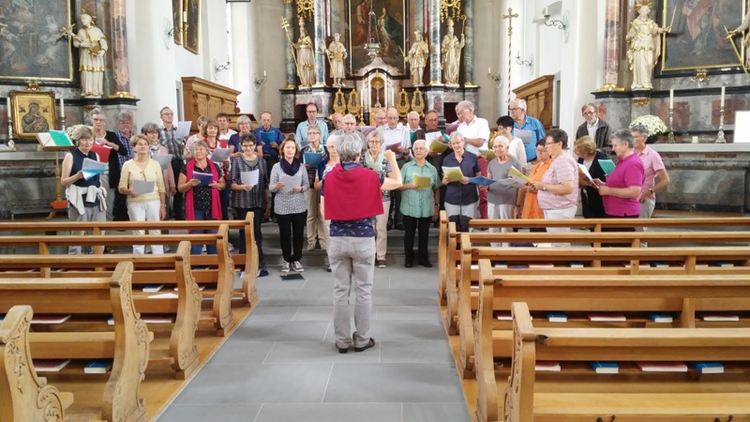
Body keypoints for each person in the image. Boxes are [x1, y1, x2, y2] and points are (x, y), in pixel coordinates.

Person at [325, 132, 402, 354]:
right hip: (362, 238)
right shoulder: (370, 176)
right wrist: (393, 160)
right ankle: (361, 339)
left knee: (340, 291)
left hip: (338, 238)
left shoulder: (329, 176)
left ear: (339, 152)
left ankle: (341, 341)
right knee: (363, 291)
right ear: (360, 153)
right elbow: (397, 182)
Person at [60, 125, 107, 254]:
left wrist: (99, 182)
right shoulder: (71, 156)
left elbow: (98, 178)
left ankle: (98, 261)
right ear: (78, 140)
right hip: (79, 198)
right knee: (78, 235)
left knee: (99, 233)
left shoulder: (95, 155)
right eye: (84, 139)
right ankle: (75, 262)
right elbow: (64, 181)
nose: (88, 142)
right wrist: (77, 176)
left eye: (90, 139)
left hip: (95, 197)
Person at [118, 134, 167, 254]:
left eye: (145, 144)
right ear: (134, 148)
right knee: (138, 232)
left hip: (153, 201)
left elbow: (161, 187)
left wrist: (162, 205)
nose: (143, 147)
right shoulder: (128, 164)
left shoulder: (155, 164)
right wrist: (129, 191)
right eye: (140, 144)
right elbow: (121, 187)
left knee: (155, 231)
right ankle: (138, 261)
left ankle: (159, 260)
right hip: (135, 202)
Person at [230, 133, 270, 276]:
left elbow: (265, 183)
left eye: (250, 145)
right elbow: (232, 183)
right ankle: (243, 262)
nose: (248, 148)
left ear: (255, 145)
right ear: (241, 146)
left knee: (257, 232)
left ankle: (259, 261)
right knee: (244, 232)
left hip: (257, 200)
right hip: (242, 201)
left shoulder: (261, 161)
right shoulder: (237, 161)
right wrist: (243, 187)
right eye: (245, 146)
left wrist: (267, 203)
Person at [531, 129, 579, 246]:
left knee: (559, 246)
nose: (546, 147)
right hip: (554, 209)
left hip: (560, 209)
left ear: (559, 144)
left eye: (548, 143)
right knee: (555, 244)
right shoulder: (557, 160)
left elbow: (567, 188)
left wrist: (544, 187)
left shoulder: (563, 161)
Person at [178, 140, 225, 255]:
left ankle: (213, 264)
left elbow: (222, 184)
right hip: (195, 207)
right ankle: (196, 266)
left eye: (201, 149)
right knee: (196, 237)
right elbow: (180, 188)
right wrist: (190, 184)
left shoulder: (214, 166)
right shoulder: (186, 167)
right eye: (196, 150)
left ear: (207, 151)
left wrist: (216, 185)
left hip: (212, 206)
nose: (198, 152)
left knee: (214, 237)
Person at [270, 138, 309, 275]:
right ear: (283, 150)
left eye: (292, 148)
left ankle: (297, 259)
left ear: (296, 150)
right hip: (282, 205)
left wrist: (301, 188)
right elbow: (271, 187)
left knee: (298, 234)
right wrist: (277, 186)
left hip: (298, 204)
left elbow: (307, 184)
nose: (290, 150)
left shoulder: (301, 166)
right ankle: (286, 260)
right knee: (285, 235)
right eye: (288, 147)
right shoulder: (276, 167)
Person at [399, 139, 440, 267]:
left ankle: (423, 258)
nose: (418, 151)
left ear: (426, 152)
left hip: (426, 205)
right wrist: (409, 185)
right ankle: (409, 258)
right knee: (409, 234)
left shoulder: (432, 169)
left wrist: (436, 206)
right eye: (416, 148)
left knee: (424, 234)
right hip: (410, 205)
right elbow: (398, 185)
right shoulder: (406, 167)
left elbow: (436, 188)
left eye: (421, 148)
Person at [593, 130, 645, 223]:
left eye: (615, 146)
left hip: (624, 213)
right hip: (614, 211)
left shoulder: (633, 163)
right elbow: (621, 184)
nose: (613, 149)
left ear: (625, 144)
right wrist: (603, 184)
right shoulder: (622, 160)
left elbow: (634, 191)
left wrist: (608, 190)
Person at [632, 121, 670, 246]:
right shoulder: (629, 153)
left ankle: (641, 261)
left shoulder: (653, 155)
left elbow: (665, 180)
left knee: (639, 233)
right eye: (630, 136)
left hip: (643, 198)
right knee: (628, 233)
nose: (632, 139)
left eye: (635, 137)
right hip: (629, 197)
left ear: (644, 137)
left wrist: (650, 191)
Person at [90, 108, 128, 226]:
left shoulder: (111, 135)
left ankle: (105, 235)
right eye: (96, 119)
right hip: (91, 173)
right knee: (91, 204)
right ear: (91, 120)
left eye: (101, 120)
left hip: (107, 174)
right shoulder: (87, 135)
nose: (98, 122)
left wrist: (110, 144)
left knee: (107, 204)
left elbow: (123, 151)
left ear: (104, 122)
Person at [362, 131, 393, 268]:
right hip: (366, 197)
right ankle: (369, 255)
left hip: (383, 197)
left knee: (381, 228)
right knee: (369, 228)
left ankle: (381, 256)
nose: (374, 144)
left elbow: (392, 178)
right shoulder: (362, 158)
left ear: (381, 144)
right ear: (368, 143)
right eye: (372, 141)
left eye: (377, 142)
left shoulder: (386, 158)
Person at [485, 136, 522, 247]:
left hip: (507, 200)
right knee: (493, 229)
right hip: (492, 199)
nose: (497, 149)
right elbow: (488, 180)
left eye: (501, 146)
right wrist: (484, 186)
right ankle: (494, 255)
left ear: (507, 147)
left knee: (506, 229)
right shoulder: (492, 162)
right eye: (495, 146)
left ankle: (505, 255)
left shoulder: (514, 163)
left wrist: (517, 206)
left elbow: (520, 186)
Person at [456, 100, 490, 219]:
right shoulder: (461, 126)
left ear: (470, 110)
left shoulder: (482, 122)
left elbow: (480, 142)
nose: (459, 115)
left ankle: (485, 220)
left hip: (480, 159)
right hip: (466, 160)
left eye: (461, 112)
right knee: (467, 188)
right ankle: (469, 218)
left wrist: (465, 139)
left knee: (483, 189)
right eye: (458, 113)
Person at [377, 107, 410, 230]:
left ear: (398, 118)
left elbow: (408, 150)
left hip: (399, 161)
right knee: (387, 190)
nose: (392, 121)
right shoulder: (380, 130)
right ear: (386, 118)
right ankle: (388, 220)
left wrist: (404, 150)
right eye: (390, 118)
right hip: (385, 162)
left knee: (400, 191)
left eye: (395, 118)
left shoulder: (404, 130)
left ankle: (399, 220)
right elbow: (378, 147)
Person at [626, 4, 671, 90]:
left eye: (647, 11)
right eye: (644, 10)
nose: (646, 12)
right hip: (639, 45)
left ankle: (647, 81)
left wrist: (664, 29)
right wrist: (635, 35)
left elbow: (656, 30)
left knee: (649, 63)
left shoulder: (650, 22)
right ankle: (640, 82)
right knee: (640, 63)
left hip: (649, 44)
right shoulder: (636, 23)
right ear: (639, 11)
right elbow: (629, 36)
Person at [442, 132, 481, 220]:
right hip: (452, 198)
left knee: (469, 227)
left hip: (469, 198)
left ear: (463, 141)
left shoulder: (472, 157)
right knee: (453, 228)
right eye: (453, 144)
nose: (456, 146)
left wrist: (469, 180)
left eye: (458, 143)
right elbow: (443, 179)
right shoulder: (447, 159)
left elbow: (479, 179)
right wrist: (444, 181)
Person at [301, 125, 328, 251]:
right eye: (310, 133)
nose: (312, 135)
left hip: (324, 184)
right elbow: (299, 168)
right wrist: (304, 166)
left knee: (322, 214)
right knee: (311, 214)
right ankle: (311, 240)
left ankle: (323, 240)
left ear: (320, 135)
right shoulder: (303, 150)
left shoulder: (326, 150)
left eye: (314, 133)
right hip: (309, 183)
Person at [254, 111, 284, 220]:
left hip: (272, 158)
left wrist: (277, 145)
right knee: (261, 185)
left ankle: (274, 213)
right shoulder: (256, 132)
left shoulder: (277, 132)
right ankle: (263, 213)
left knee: (274, 184)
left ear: (271, 120)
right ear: (260, 120)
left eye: (268, 120)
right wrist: (258, 145)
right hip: (260, 158)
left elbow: (283, 147)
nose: (266, 122)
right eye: (264, 120)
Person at [201, 118, 231, 221]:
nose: (213, 130)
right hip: (207, 178)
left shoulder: (223, 144)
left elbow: (228, 164)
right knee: (209, 207)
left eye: (215, 128)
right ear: (206, 130)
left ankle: (225, 233)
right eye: (210, 128)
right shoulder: (201, 144)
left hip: (221, 177)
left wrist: (227, 163)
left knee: (223, 206)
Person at [159, 106, 186, 220]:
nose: (169, 116)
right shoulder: (158, 131)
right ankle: (165, 213)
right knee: (165, 188)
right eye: (166, 114)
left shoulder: (179, 130)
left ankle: (179, 214)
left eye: (171, 114)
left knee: (179, 189)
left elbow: (185, 145)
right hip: (165, 164)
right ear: (161, 116)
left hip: (178, 161)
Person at [73, 12, 107, 97]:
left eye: (84, 19)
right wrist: (81, 44)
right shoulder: (80, 31)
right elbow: (75, 43)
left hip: (95, 54)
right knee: (86, 71)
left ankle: (96, 90)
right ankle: (87, 90)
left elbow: (103, 42)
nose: (82, 21)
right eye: (81, 19)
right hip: (85, 55)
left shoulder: (97, 30)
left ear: (89, 19)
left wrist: (103, 50)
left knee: (96, 71)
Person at [519, 140, 551, 228]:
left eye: (543, 150)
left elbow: (551, 185)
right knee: (533, 238)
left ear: (549, 151)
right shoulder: (536, 166)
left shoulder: (552, 165)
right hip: (530, 203)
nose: (539, 153)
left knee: (542, 238)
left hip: (542, 207)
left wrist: (539, 188)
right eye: (538, 150)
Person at [574, 136, 607, 219]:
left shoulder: (601, 160)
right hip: (586, 195)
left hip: (599, 199)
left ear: (585, 152)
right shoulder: (581, 160)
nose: (575, 152)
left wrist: (586, 179)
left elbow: (604, 182)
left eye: (577, 150)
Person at [142, 122, 176, 200]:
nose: (154, 135)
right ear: (145, 134)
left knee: (164, 207)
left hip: (162, 181)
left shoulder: (163, 149)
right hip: (148, 180)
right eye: (150, 133)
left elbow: (168, 167)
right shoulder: (142, 148)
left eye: (156, 132)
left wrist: (172, 184)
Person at [441, 18, 465, 85]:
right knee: (448, 65)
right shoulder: (446, 37)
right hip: (448, 53)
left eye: (452, 30)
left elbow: (460, 46)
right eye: (450, 30)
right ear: (447, 30)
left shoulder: (455, 38)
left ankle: (453, 79)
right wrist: (447, 46)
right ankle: (448, 79)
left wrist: (462, 38)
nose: (451, 31)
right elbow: (442, 46)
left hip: (454, 53)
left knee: (454, 65)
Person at [293, 23, 315, 87]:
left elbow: (311, 45)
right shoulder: (299, 39)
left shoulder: (308, 38)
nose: (301, 32)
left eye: (302, 31)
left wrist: (305, 45)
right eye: (300, 31)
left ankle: (308, 81)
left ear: (305, 31)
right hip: (301, 55)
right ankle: (303, 81)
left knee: (307, 67)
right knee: (301, 67)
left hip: (307, 54)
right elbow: (298, 46)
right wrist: (293, 45)